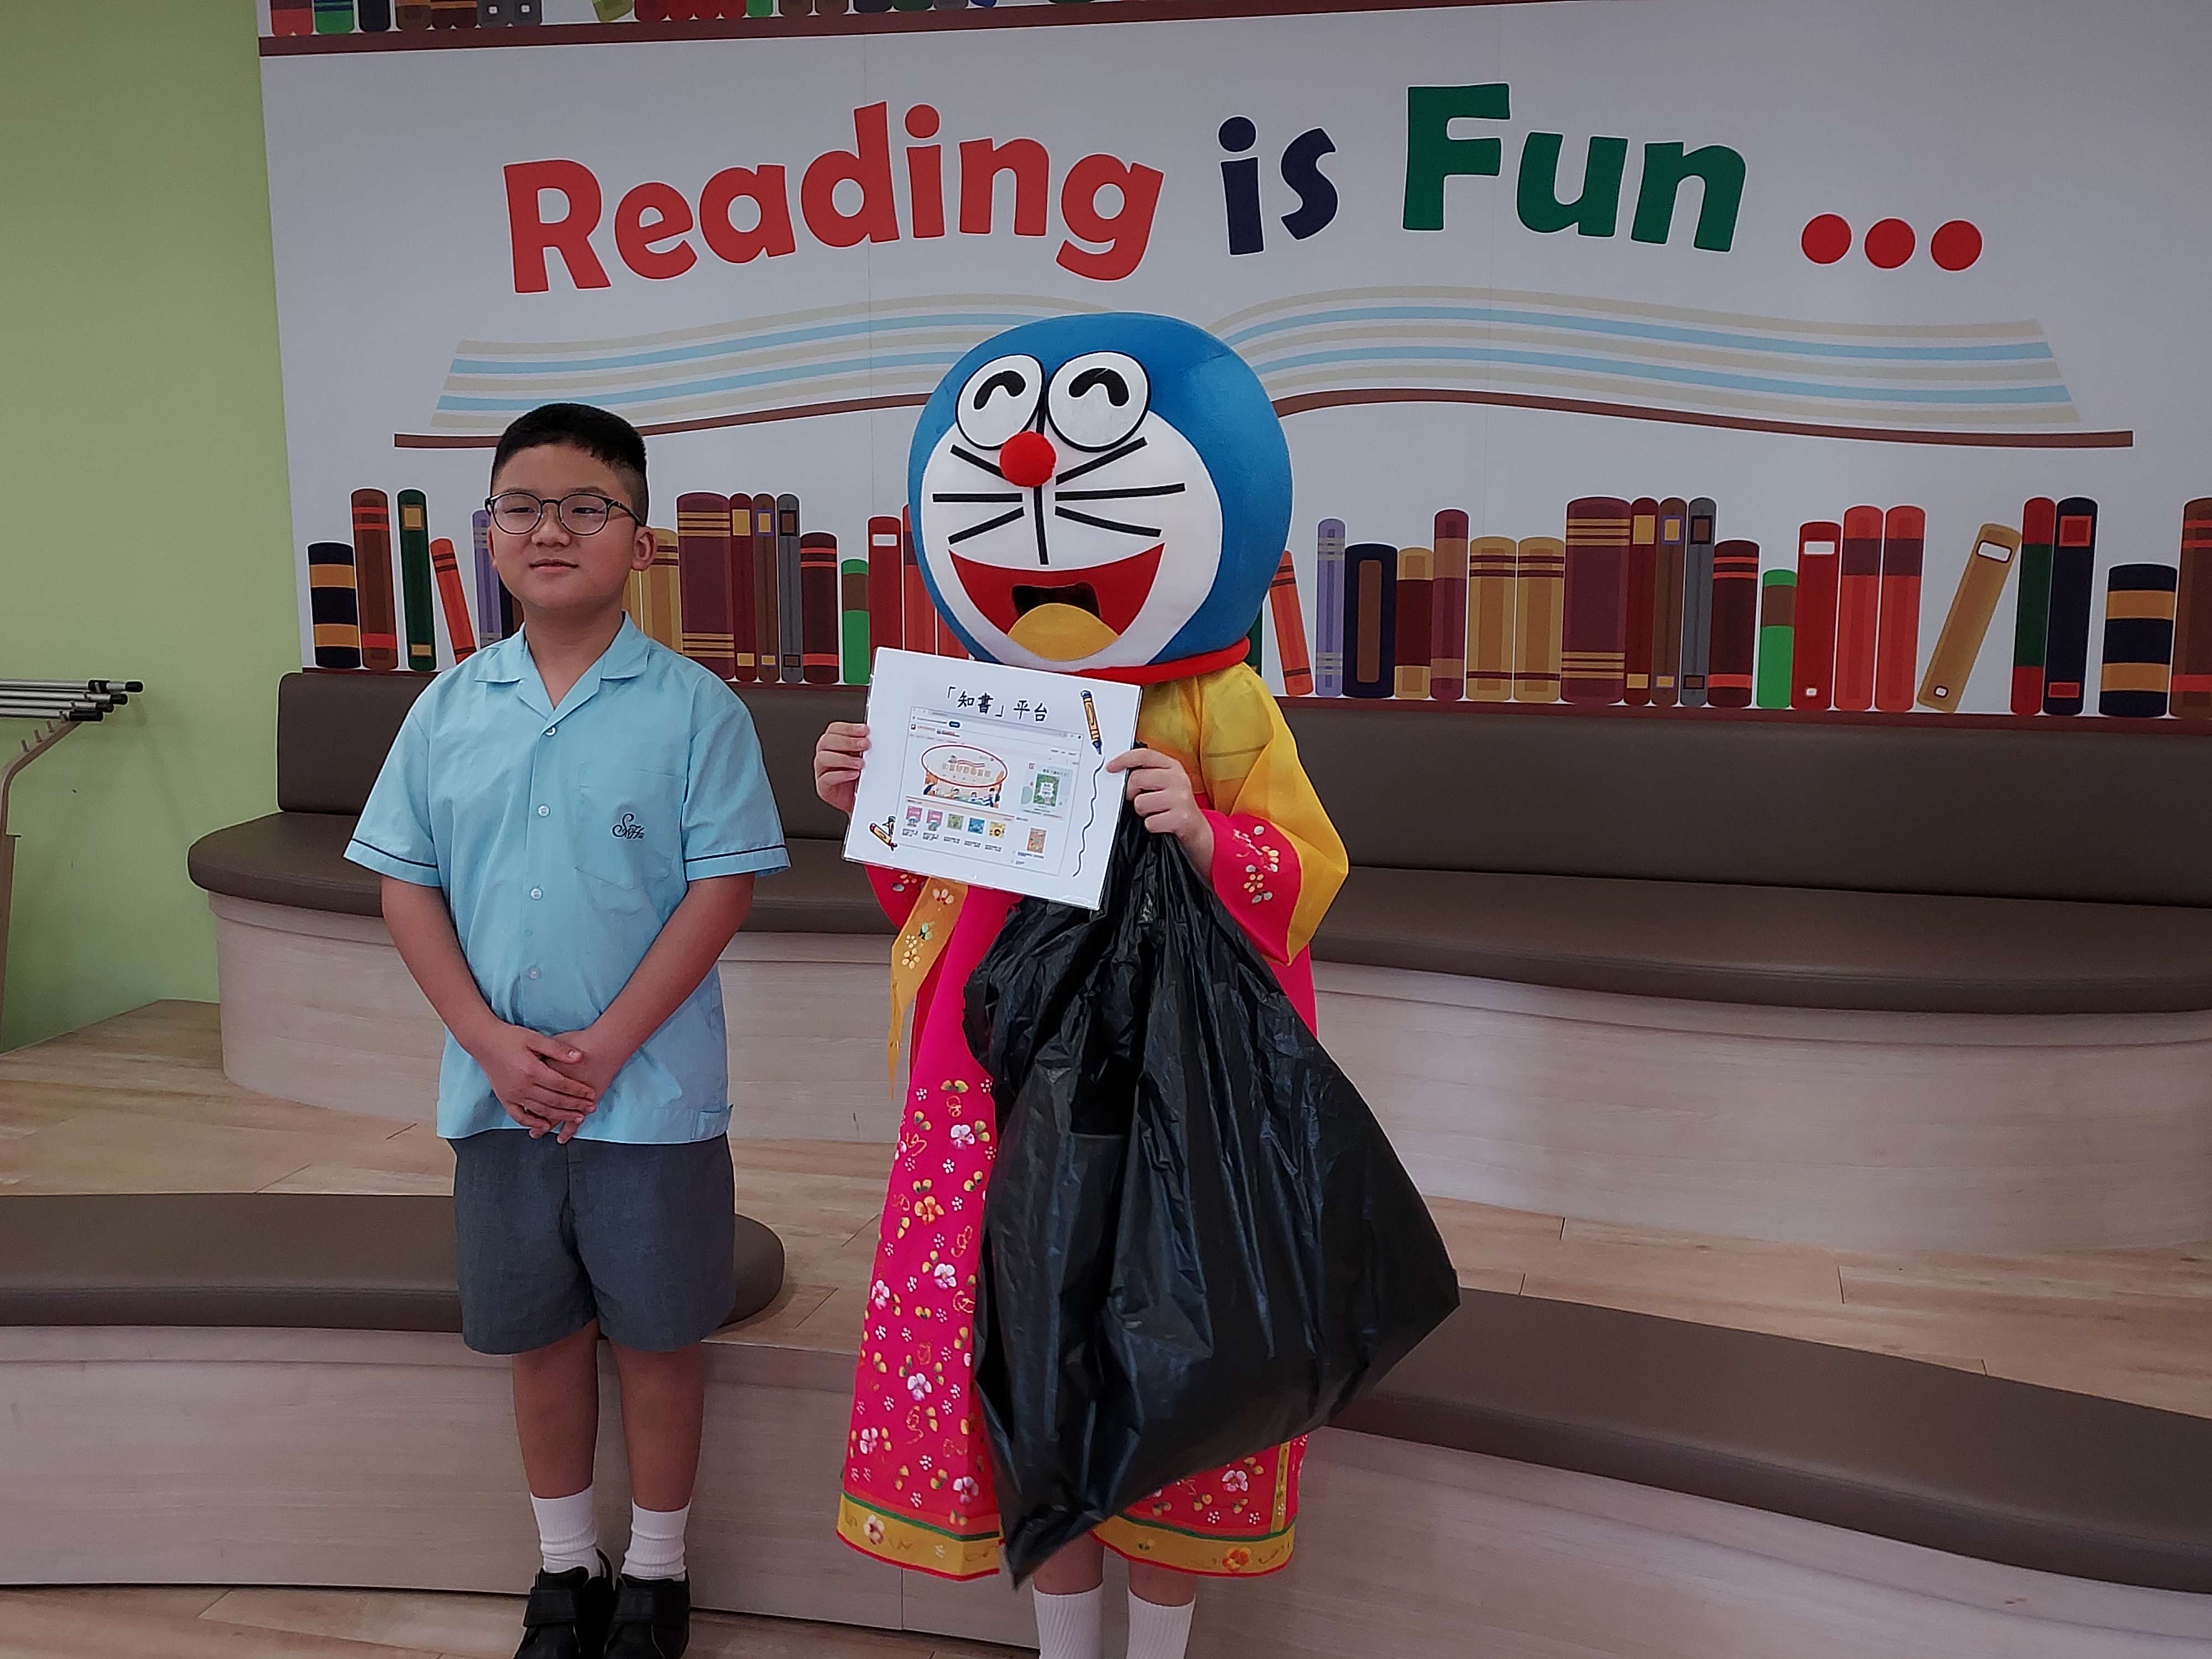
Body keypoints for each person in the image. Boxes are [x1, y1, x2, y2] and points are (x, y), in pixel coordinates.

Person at [816, 315, 1348, 1659]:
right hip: (994, 1094)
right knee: (1029, 1367)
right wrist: (876, 803)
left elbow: (1306, 875)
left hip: (1178, 1102)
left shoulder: (1223, 705)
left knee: (1172, 1365)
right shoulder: (972, 701)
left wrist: (1207, 833)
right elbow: (935, 904)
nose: (1035, 474)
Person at [347, 403, 787, 1659]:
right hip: (497, 1100)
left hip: (651, 1103)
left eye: (587, 507)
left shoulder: (697, 710)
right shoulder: (445, 710)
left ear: (639, 543)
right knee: (537, 1337)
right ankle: (563, 1568)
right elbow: (405, 883)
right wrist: (490, 1042)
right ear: (488, 534)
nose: (552, 529)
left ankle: (656, 1571)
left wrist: (604, 1049)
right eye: (522, 507)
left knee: (658, 1339)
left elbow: (722, 889)